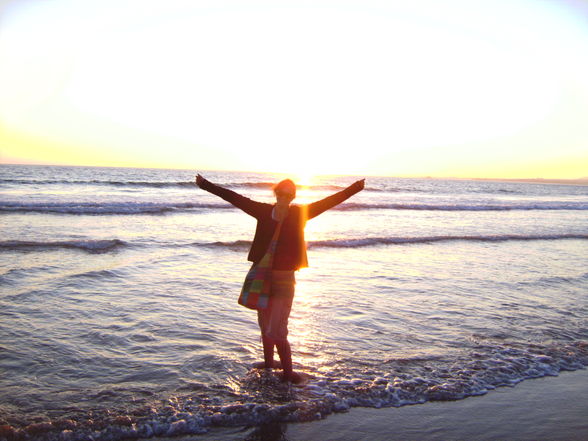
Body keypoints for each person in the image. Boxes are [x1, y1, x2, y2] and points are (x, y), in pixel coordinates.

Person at [195, 173, 365, 383]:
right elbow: (234, 198)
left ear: (293, 196)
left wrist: (355, 188)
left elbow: (329, 202)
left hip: (284, 279)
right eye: (281, 192)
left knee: (278, 328)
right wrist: (205, 185)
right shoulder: (263, 211)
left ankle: (288, 373)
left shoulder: (301, 213)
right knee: (264, 324)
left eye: (289, 193)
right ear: (275, 193)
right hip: (261, 275)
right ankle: (268, 364)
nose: (284, 196)